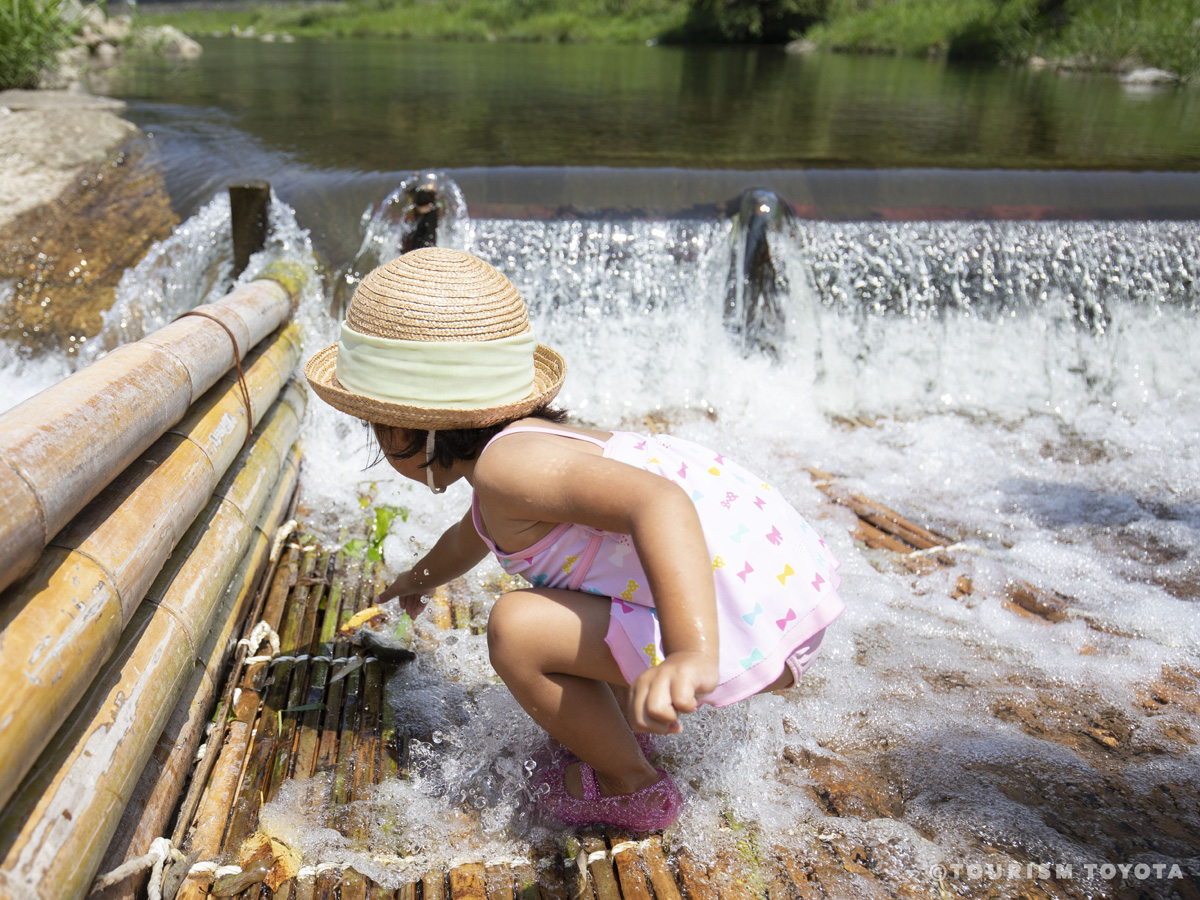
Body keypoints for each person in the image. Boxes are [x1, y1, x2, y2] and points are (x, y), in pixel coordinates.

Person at [305, 247, 845, 832]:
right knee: (565, 601)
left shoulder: (506, 470)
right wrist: (418, 580)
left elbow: (660, 503)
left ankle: (630, 786)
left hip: (733, 619)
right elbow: (470, 537)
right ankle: (629, 732)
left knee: (518, 629)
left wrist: (691, 651)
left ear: (412, 427)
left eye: (377, 427)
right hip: (781, 591)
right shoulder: (526, 453)